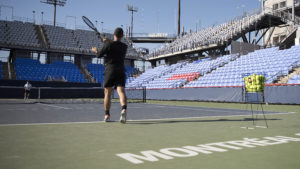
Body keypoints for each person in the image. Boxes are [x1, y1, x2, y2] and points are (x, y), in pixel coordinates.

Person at [92, 27, 128, 123]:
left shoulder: (108, 44)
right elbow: (116, 45)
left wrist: (96, 51)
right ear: (122, 36)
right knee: (121, 91)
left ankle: (107, 115)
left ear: (113, 34)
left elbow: (99, 55)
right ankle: (124, 109)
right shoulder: (124, 46)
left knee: (107, 93)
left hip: (110, 70)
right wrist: (108, 42)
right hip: (121, 70)